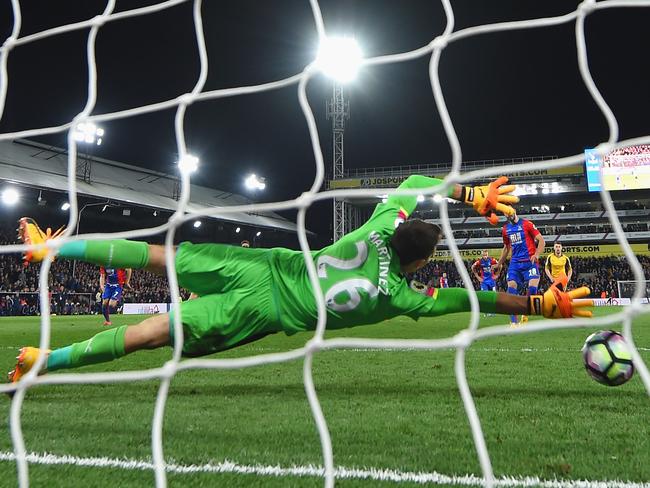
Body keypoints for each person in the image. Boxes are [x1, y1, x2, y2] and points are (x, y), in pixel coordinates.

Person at [8, 175, 591, 382]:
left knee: (159, 255)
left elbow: (414, 181)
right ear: (420, 264)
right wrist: (541, 304)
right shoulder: (404, 294)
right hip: (265, 312)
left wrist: (470, 195)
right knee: (155, 332)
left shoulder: (379, 227)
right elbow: (478, 298)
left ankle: (51, 250)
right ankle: (46, 362)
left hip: (262, 266)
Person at [496, 210, 545, 327]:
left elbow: (542, 241)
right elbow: (506, 248)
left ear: (514, 212)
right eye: (506, 214)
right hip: (515, 264)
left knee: (533, 288)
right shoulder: (505, 229)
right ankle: (513, 322)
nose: (508, 215)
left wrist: (537, 255)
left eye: (510, 212)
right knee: (511, 288)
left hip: (530, 262)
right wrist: (499, 264)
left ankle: (525, 310)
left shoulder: (527, 224)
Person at [471, 250, 498, 317]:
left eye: (486, 255)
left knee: (493, 296)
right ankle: (486, 312)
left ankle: (493, 311)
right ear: (482, 255)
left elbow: (500, 265)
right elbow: (472, 267)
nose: (485, 256)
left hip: (492, 280)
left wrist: (497, 274)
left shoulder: (492, 260)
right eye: (484, 255)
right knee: (485, 296)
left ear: (488, 255)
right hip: (484, 281)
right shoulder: (479, 262)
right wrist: (478, 277)